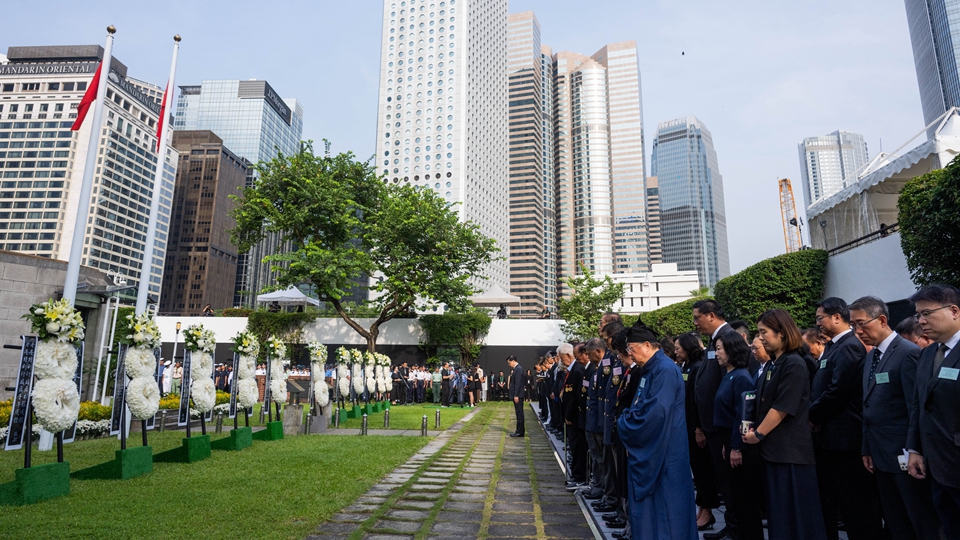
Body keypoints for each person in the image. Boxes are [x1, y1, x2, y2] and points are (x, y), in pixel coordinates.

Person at [851, 296, 941, 540]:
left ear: (881, 320)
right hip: (880, 455)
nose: (857, 331)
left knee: (919, 520)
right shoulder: (871, 356)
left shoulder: (908, 353)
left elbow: (917, 408)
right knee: (895, 520)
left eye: (861, 324)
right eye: (853, 325)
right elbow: (869, 405)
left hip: (904, 456)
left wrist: (914, 449)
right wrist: (866, 447)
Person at [743, 309, 827, 540]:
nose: (760, 339)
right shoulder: (774, 365)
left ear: (781, 333)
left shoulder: (793, 364)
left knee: (796, 516)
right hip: (775, 452)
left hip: (791, 454)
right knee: (781, 516)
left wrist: (757, 434)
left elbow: (782, 407)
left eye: (764, 333)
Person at [810, 297, 884, 540]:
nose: (817, 323)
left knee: (857, 506)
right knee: (838, 500)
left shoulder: (850, 346)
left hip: (846, 440)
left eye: (820, 318)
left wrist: (812, 414)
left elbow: (838, 390)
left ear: (836, 318)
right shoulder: (832, 346)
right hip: (830, 439)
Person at [617, 318, 698, 540]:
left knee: (667, 511)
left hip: (664, 449)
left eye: (631, 349)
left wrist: (624, 423)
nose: (630, 355)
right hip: (655, 445)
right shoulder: (650, 369)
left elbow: (655, 413)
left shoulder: (664, 370)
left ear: (647, 345)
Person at [692, 299, 755, 540]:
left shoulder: (730, 338)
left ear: (710, 315)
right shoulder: (713, 341)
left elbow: (739, 394)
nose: (695, 323)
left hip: (727, 428)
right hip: (714, 426)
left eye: (698, 318)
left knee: (732, 483)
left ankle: (737, 528)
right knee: (725, 482)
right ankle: (732, 525)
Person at [907, 284, 960, 538]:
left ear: (954, 311)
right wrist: (914, 448)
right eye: (918, 315)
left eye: (927, 313)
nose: (921, 321)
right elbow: (919, 404)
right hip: (937, 466)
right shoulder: (928, 354)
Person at [713, 332, 764, 540]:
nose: (716, 353)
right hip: (727, 439)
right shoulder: (730, 374)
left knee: (744, 498)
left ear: (732, 350)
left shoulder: (741, 376)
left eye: (719, 349)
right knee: (735, 496)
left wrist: (736, 447)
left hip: (739, 444)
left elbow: (742, 415)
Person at [675, 332, 720, 531]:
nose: (676, 351)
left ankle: (708, 511)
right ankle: (702, 508)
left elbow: (698, 400)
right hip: (687, 426)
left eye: (679, 348)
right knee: (698, 471)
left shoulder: (697, 367)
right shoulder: (685, 367)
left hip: (696, 428)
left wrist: (699, 428)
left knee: (704, 471)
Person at [562, 342, 588, 489]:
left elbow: (575, 395)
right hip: (572, 416)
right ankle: (577, 474)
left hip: (576, 417)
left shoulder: (578, 370)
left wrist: (569, 414)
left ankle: (580, 476)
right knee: (575, 446)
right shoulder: (574, 370)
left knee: (578, 447)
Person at [508, 355, 525, 437]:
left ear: (513, 361)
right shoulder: (516, 369)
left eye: (509, 362)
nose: (509, 364)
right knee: (518, 413)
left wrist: (516, 395)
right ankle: (519, 430)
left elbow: (518, 384)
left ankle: (520, 431)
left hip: (518, 395)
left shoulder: (518, 369)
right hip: (518, 394)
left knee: (519, 413)